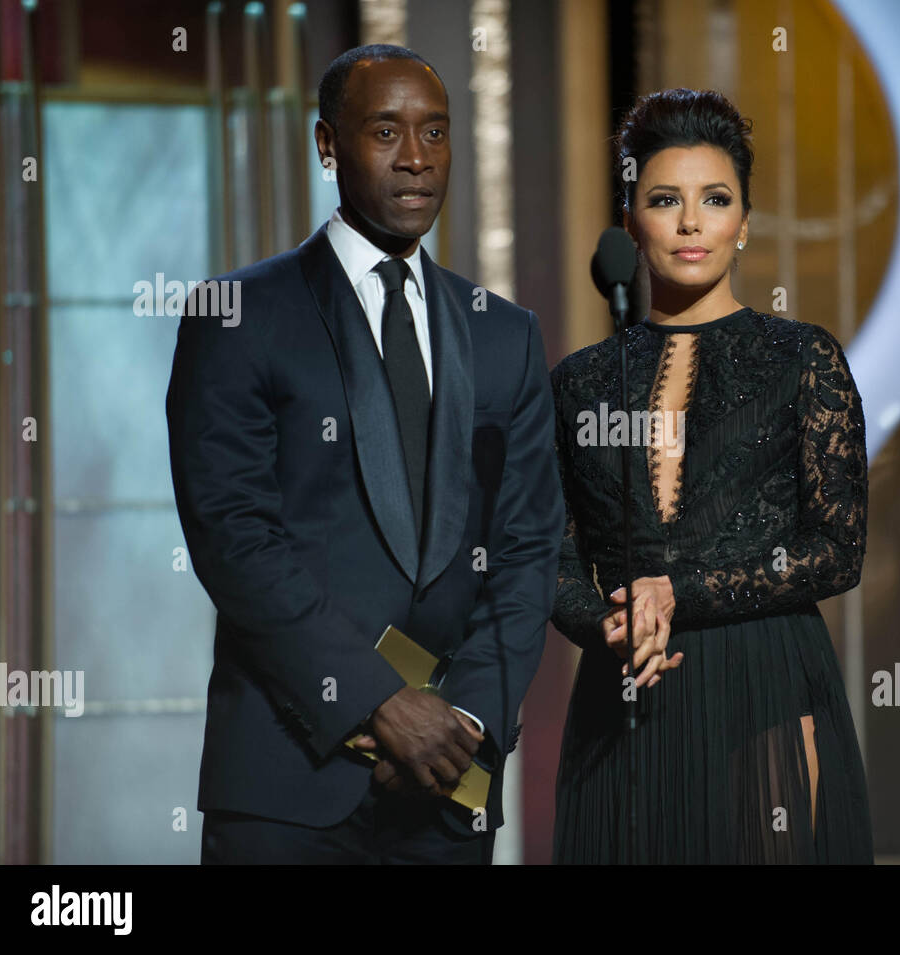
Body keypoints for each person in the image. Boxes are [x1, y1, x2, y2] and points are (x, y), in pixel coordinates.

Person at [166, 44, 563, 864]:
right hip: (287, 780)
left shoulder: (505, 333)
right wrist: (379, 702)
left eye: (436, 132)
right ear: (326, 144)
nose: (416, 158)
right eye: (386, 130)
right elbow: (234, 537)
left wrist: (467, 721)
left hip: (447, 789)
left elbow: (528, 549)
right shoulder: (236, 314)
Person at [550, 88, 873, 863]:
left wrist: (679, 593)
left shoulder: (804, 358)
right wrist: (604, 624)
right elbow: (549, 555)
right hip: (625, 689)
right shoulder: (578, 382)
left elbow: (838, 547)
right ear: (629, 221)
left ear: (744, 222)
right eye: (666, 200)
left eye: (715, 199)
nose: (691, 222)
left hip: (763, 681)